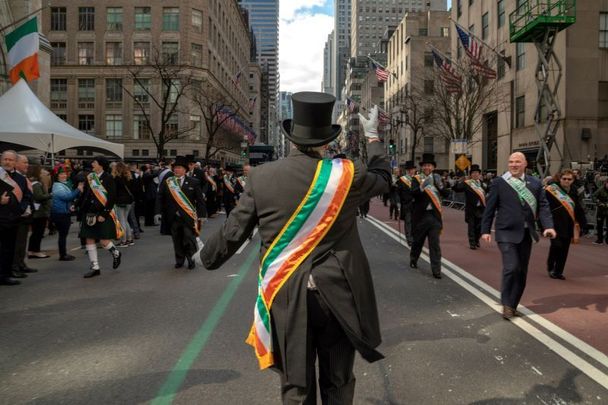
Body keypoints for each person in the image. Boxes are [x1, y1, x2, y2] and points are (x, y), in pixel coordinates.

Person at [200, 93, 390, 404]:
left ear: (292, 137)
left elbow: (234, 232)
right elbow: (384, 178)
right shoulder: (347, 174)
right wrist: (372, 137)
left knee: (296, 387)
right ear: (326, 141)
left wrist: (207, 257)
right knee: (338, 380)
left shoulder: (262, 177)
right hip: (339, 293)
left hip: (286, 294)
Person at [481, 152, 556, 320]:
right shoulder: (499, 183)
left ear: (525, 164)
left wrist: (548, 226)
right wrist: (485, 230)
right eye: (511, 162)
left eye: (517, 162)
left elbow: (543, 207)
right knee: (512, 267)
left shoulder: (535, 183)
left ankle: (512, 305)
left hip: (527, 233)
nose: (513, 165)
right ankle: (506, 303)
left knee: (522, 271)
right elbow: (490, 208)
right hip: (505, 231)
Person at [158, 156, 205, 269]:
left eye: (179, 168)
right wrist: (157, 212)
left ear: (185, 170)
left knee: (188, 239)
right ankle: (179, 260)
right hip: (172, 217)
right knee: (177, 240)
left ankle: (191, 259)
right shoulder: (168, 182)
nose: (176, 170)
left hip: (188, 217)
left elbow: (200, 200)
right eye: (175, 168)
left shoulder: (194, 182)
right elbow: (160, 198)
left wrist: (202, 215)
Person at [79, 156, 123, 278]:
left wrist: (104, 214)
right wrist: (78, 205)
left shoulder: (108, 178)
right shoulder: (90, 177)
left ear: (101, 165)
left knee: (103, 240)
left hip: (103, 213)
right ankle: (95, 267)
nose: (92, 164)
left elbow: (112, 198)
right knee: (89, 238)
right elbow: (87, 195)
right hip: (90, 212)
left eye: (94, 162)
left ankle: (116, 253)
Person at [409, 153, 451, 279]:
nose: (427, 167)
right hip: (421, 216)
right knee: (418, 241)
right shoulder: (416, 179)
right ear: (422, 167)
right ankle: (413, 258)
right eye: (425, 165)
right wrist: (422, 186)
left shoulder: (438, 179)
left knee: (435, 244)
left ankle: (436, 270)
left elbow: (446, 194)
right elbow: (413, 194)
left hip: (434, 216)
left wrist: (439, 185)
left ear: (433, 167)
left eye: (430, 165)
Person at [545, 169, 587, 280]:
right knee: (556, 245)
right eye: (564, 179)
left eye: (569, 179)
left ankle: (558, 271)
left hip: (568, 224)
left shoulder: (574, 191)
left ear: (573, 180)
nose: (567, 181)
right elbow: (544, 208)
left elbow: (578, 208)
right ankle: (550, 265)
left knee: (564, 248)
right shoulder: (551, 190)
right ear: (560, 178)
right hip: (554, 223)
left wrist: (583, 223)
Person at [0, 151, 30, 285]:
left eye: (10, 160)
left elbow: (27, 196)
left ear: (15, 162)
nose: (7, 162)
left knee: (9, 248)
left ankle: (6, 274)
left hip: (13, 218)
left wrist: (21, 209)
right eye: (5, 159)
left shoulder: (21, 179)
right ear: (1, 160)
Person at [50, 164, 83, 261]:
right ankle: (63, 255)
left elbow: (67, 199)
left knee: (63, 235)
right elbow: (67, 197)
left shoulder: (62, 184)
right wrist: (78, 189)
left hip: (63, 212)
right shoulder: (58, 186)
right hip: (60, 214)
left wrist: (71, 206)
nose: (64, 176)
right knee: (62, 235)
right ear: (57, 176)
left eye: (64, 174)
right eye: (61, 174)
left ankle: (63, 253)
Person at [452, 164, 487, 250]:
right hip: (471, 209)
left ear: (479, 174)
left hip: (481, 209)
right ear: (471, 174)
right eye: (473, 173)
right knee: (471, 226)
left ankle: (476, 240)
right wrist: (459, 181)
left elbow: (489, 191)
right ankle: (472, 243)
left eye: (477, 173)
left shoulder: (483, 184)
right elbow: (456, 189)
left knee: (480, 227)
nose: (475, 174)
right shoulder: (467, 184)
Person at [27, 164, 53, 259]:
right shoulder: (36, 184)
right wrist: (50, 195)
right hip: (39, 212)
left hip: (36, 211)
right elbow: (39, 197)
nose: (42, 173)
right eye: (40, 171)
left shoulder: (32, 182)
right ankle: (36, 251)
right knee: (38, 233)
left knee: (35, 233)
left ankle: (31, 251)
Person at [113, 162, 135, 247]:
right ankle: (130, 239)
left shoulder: (116, 178)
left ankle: (124, 240)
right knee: (125, 220)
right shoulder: (129, 177)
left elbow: (115, 191)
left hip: (120, 201)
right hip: (129, 200)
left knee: (121, 221)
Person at [397, 161, 416, 246]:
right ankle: (409, 239)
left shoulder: (418, 179)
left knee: (415, 222)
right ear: (407, 170)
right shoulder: (402, 180)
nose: (411, 171)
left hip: (417, 205)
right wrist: (400, 202)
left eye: (412, 169)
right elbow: (399, 192)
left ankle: (414, 237)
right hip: (407, 204)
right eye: (409, 170)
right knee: (408, 221)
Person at [592, 178, 608, 244]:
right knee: (599, 225)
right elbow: (593, 196)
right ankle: (599, 240)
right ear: (606, 183)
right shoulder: (601, 189)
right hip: (601, 210)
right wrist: (598, 203)